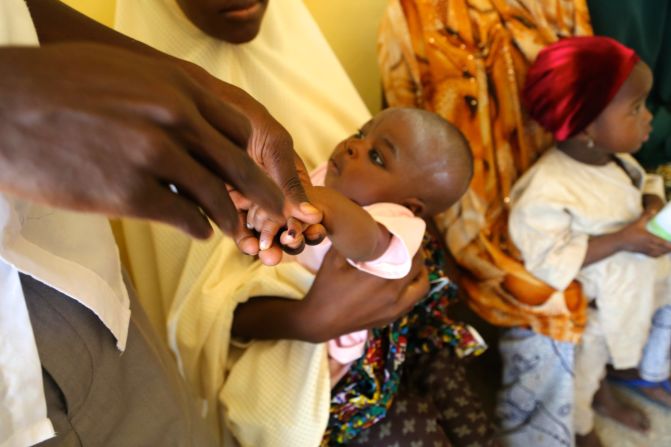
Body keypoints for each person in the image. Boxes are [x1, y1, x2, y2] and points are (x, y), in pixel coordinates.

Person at [1, 1, 417, 446]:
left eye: (373, 151)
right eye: (359, 141)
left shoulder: (303, 69)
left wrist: (197, 91)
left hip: (87, 299)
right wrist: (308, 319)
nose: (354, 148)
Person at [509, 36, 671, 447]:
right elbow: (545, 257)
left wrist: (651, 199)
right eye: (636, 109)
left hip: (639, 284)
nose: (649, 118)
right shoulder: (548, 189)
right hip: (597, 310)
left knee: (640, 335)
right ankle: (582, 427)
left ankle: (626, 378)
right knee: (583, 376)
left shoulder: (612, 156)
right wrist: (621, 239)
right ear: (585, 128)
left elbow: (638, 181)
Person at [237, 107, 473, 384]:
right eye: (361, 134)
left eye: (376, 156)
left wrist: (319, 202)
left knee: (266, 395)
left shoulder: (395, 222)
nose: (352, 145)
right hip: (281, 295)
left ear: (408, 206)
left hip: (326, 350)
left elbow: (368, 244)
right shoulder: (332, 176)